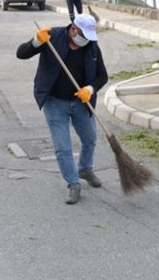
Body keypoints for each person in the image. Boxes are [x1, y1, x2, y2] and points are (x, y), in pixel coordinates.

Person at [16, 14, 108, 204]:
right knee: (63, 148)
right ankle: (73, 184)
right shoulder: (51, 37)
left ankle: (85, 169)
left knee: (90, 139)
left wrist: (90, 89)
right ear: (73, 29)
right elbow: (21, 54)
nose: (86, 40)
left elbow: (102, 76)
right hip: (54, 102)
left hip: (82, 102)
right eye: (84, 34)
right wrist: (35, 42)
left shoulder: (91, 46)